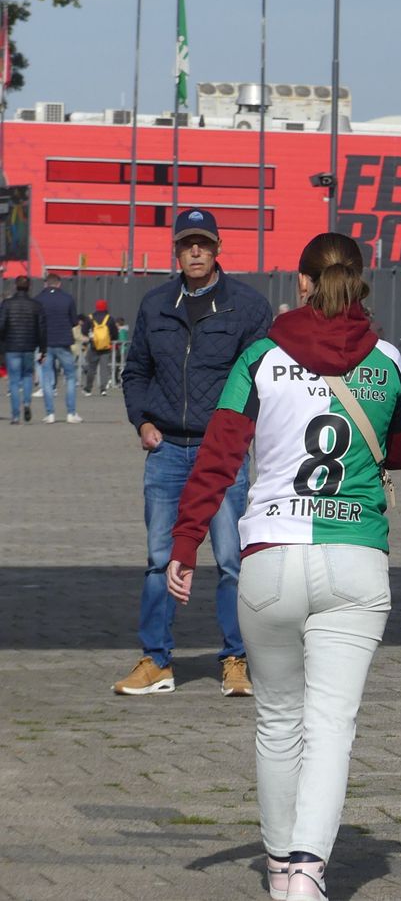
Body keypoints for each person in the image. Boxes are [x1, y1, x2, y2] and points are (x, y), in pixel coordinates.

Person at [166, 231, 401, 901]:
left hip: (271, 557)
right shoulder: (387, 360)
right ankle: (309, 870)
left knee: (277, 719)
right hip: (355, 558)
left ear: (302, 283)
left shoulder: (259, 356)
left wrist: (185, 543)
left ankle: (279, 866)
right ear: (361, 280)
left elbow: (217, 455)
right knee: (331, 724)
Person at [116, 208, 273, 698]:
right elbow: (135, 370)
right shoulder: (155, 303)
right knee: (160, 559)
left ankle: (236, 659)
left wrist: (241, 436)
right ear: (177, 251)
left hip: (220, 453)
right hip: (165, 450)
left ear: (218, 248)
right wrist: (142, 421)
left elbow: (260, 378)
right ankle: (156, 661)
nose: (196, 252)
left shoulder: (248, 307)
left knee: (232, 561)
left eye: (204, 243)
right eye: (188, 244)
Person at [35, 273, 81, 424]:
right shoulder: (67, 298)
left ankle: (50, 414)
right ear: (59, 283)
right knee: (70, 377)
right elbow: (74, 321)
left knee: (47, 378)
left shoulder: (39, 299)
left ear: (46, 284)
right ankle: (71, 413)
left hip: (45, 343)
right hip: (63, 342)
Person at [0, 275, 45, 424]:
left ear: (15, 286)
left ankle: (15, 415)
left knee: (13, 381)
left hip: (12, 346)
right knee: (27, 376)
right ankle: (26, 403)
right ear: (29, 287)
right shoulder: (36, 305)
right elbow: (42, 328)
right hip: (29, 346)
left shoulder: (6, 304)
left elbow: (1, 325)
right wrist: (42, 348)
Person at [81, 299, 119, 396]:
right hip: (106, 347)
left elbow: (84, 330)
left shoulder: (90, 318)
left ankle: (88, 389)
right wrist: (110, 338)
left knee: (91, 368)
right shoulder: (109, 318)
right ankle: (103, 389)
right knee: (104, 369)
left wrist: (91, 337)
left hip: (94, 346)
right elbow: (115, 333)